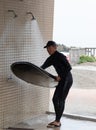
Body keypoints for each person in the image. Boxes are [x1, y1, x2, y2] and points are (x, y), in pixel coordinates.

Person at [41, 41, 73, 128]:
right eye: (47, 48)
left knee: (61, 100)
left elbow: (69, 67)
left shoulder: (60, 56)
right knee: (55, 99)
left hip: (67, 79)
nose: (48, 50)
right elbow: (42, 68)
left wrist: (60, 76)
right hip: (62, 80)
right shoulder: (51, 58)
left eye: (49, 47)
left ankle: (57, 121)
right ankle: (57, 120)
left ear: (54, 47)